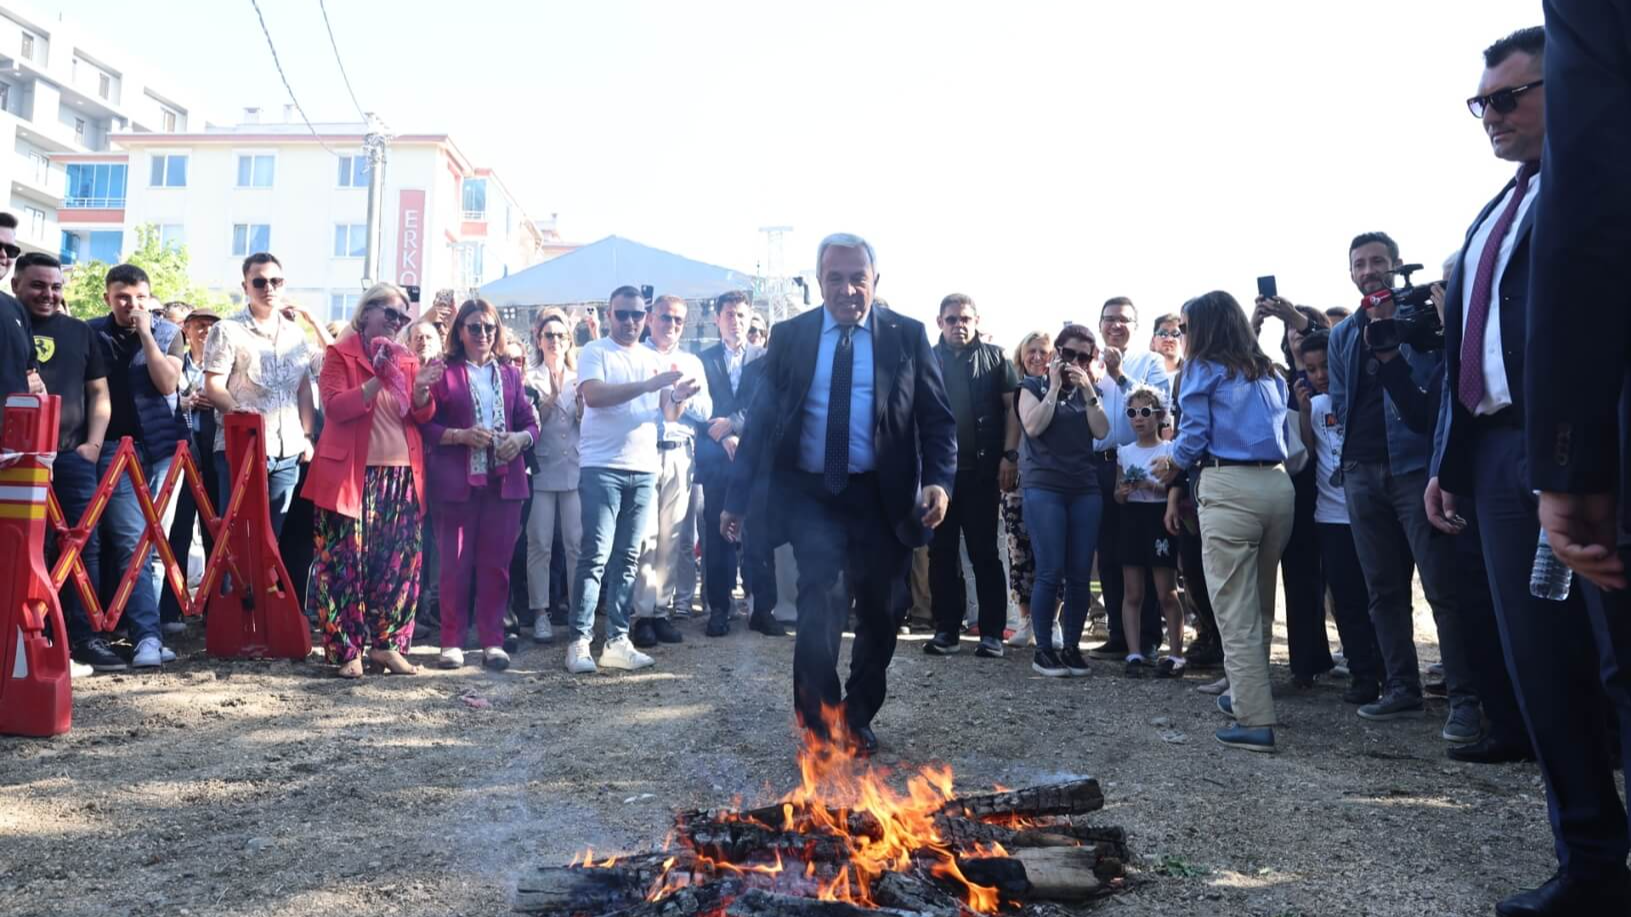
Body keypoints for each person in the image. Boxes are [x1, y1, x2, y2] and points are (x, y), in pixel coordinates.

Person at [1461, 16, 1631, 912]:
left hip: (1588, 447)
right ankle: (1591, 865)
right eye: (1478, 104)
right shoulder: (1490, 213)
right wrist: (1450, 462)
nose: (1489, 115)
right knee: (1541, 671)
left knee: (1617, 662)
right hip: (1495, 459)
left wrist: (1574, 454)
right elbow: (1474, 348)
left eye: (1507, 97)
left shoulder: (1598, 192)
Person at [722, 233, 955, 756]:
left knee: (882, 610)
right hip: (815, 497)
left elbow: (937, 421)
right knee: (817, 608)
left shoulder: (907, 336)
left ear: (876, 281)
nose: (847, 290)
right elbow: (761, 423)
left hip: (883, 497)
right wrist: (736, 500)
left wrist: (938, 480)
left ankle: (857, 714)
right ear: (819, 279)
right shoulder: (791, 336)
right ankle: (820, 722)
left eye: (858, 279)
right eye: (835, 279)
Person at [1325, 232, 1482, 743]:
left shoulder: (1421, 320)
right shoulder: (1344, 333)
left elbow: (1432, 404)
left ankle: (1465, 698)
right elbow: (1343, 403)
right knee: (1382, 589)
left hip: (1415, 468)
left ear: (1394, 266)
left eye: (1377, 261)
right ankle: (1401, 687)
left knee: (1442, 587)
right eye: (1360, 263)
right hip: (1361, 470)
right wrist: (1348, 465)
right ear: (1350, 272)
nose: (1369, 270)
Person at [1154, 291, 1295, 753]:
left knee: (1234, 609)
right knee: (1258, 601)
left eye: (1186, 328)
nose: (1182, 336)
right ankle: (1243, 693)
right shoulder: (1270, 370)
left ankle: (1254, 719)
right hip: (1277, 487)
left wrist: (1170, 462)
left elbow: (1193, 436)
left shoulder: (1202, 369)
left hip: (1229, 487)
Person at [565, 287, 697, 674]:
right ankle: (579, 640)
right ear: (609, 315)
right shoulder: (596, 351)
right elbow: (594, 396)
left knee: (627, 559)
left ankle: (617, 639)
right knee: (595, 556)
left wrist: (679, 396)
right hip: (602, 465)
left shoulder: (651, 358)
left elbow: (668, 415)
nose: (630, 322)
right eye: (622, 314)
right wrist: (648, 387)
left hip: (643, 467)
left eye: (637, 315)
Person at [303, 283, 432, 678]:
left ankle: (388, 645)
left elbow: (419, 417)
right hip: (350, 477)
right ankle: (347, 651)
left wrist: (424, 392)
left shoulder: (408, 359)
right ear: (366, 313)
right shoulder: (339, 355)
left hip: (401, 476)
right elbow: (337, 408)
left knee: (397, 565)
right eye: (390, 314)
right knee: (343, 565)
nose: (397, 323)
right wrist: (378, 377)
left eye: (402, 317)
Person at [422, 299, 538, 670]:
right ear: (460, 331)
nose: (483, 334)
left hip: (503, 481)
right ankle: (451, 641)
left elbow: (530, 423)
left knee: (496, 565)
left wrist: (521, 440)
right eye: (474, 327)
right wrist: (460, 436)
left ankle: (493, 640)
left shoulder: (510, 375)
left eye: (490, 328)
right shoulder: (443, 372)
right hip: (456, 480)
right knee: (454, 564)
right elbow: (425, 424)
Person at [85, 263, 189, 668]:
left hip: (163, 446)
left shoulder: (169, 333)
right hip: (113, 448)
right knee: (133, 541)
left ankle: (146, 630)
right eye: (123, 297)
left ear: (149, 297)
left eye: (140, 297)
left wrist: (147, 334)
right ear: (108, 298)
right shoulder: (91, 332)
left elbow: (168, 384)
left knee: (157, 545)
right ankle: (146, 636)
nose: (132, 305)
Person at [20, 254, 117, 670]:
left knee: (82, 545)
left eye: (55, 286)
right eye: (38, 286)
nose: (48, 294)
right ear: (17, 285)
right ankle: (29, 635)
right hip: (19, 459)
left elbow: (99, 393)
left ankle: (84, 636)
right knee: (28, 547)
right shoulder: (8, 326)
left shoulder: (80, 332)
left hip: (73, 457)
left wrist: (93, 445)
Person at [201, 253, 331, 536]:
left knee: (271, 537)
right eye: (259, 282)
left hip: (289, 449)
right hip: (242, 445)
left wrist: (308, 437)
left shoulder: (296, 334)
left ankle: (263, 584)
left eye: (275, 281)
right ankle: (238, 584)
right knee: (238, 536)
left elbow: (304, 387)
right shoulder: (227, 329)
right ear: (245, 286)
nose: (268, 288)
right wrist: (237, 412)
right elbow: (213, 386)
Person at [925, 294, 1020, 658]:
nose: (958, 325)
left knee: (985, 554)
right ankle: (946, 629)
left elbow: (1012, 409)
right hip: (938, 477)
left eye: (964, 318)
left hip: (982, 472)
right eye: (951, 319)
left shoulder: (996, 358)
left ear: (976, 320)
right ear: (939, 322)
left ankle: (992, 632)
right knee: (941, 554)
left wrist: (1009, 456)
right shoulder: (926, 359)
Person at [1292, 331, 1385, 705]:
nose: (1319, 375)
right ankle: (1362, 673)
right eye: (1311, 369)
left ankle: (1390, 670)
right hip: (1331, 517)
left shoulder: (1364, 395)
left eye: (1325, 366)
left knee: (1381, 595)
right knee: (1345, 599)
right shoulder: (1313, 407)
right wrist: (1302, 413)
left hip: (1373, 513)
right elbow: (1306, 455)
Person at [1017, 324, 1111, 679]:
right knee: (1050, 569)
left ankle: (1071, 648)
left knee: (1079, 574)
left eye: (1082, 357)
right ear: (1057, 351)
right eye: (1068, 353)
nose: (1074, 361)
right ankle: (1044, 650)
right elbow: (1034, 426)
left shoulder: (1091, 391)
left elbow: (1102, 431)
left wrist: (1088, 390)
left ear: (1091, 360)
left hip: (1084, 488)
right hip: (1045, 487)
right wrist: (1054, 386)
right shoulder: (1032, 386)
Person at [1259, 301, 1337, 688]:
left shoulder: (1333, 378)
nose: (1295, 338)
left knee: (1309, 577)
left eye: (1301, 331)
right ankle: (1286, 663)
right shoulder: (1275, 379)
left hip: (1319, 488)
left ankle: (1311, 661)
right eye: (1288, 332)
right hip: (1279, 483)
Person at [1088, 297, 1169, 661]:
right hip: (1101, 464)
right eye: (1109, 319)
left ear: (1136, 327)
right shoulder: (1090, 363)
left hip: (1141, 465)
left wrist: (1119, 374)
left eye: (1124, 320)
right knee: (1109, 551)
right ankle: (1120, 635)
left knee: (1145, 551)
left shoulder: (1149, 362)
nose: (1116, 326)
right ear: (1100, 323)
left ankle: (1149, 636)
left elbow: (1158, 404)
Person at [631, 295, 712, 647]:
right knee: (645, 537)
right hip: (645, 450)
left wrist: (683, 396)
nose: (672, 326)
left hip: (680, 453)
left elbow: (707, 410)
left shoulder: (691, 360)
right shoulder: (637, 355)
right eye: (665, 318)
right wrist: (665, 396)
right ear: (651, 319)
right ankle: (640, 614)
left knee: (672, 537)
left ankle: (660, 612)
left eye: (678, 320)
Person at [697, 291, 776, 636]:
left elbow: (768, 403)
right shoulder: (702, 360)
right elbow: (695, 407)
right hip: (717, 461)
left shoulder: (764, 358)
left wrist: (735, 423)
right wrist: (720, 434)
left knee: (759, 533)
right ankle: (719, 608)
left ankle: (763, 609)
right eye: (729, 314)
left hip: (755, 459)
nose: (736, 320)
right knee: (718, 536)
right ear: (717, 318)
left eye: (742, 315)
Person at [1113, 385, 1184, 677]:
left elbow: (1174, 489)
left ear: (1159, 415)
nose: (1138, 419)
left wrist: (1149, 486)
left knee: (1166, 591)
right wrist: (1124, 490)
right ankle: (1134, 653)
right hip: (1132, 519)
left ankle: (1176, 655)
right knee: (1133, 592)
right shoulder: (1124, 452)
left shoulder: (1169, 451)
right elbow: (1117, 493)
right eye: (1132, 412)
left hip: (1159, 518)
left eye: (1145, 412)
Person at [160, 306, 221, 634]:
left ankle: (214, 607)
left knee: (216, 532)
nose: (206, 331)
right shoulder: (174, 360)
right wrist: (185, 400)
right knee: (177, 533)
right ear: (186, 328)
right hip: (179, 459)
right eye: (199, 325)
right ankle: (171, 609)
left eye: (212, 325)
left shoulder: (224, 364)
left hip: (214, 457)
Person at [524, 308, 582, 645]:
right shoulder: (530, 377)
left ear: (569, 340)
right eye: (549, 336)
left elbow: (585, 423)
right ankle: (540, 612)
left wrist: (581, 404)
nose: (555, 341)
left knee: (576, 543)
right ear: (539, 339)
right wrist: (548, 401)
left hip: (573, 466)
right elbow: (530, 422)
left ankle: (577, 610)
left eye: (561, 336)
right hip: (542, 468)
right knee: (540, 543)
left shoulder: (580, 376)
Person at [1001, 330, 1059, 650]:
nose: (1037, 356)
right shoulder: (1014, 392)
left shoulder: (1062, 389)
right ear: (1021, 356)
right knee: (1019, 553)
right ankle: (1026, 622)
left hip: (1053, 482)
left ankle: (1051, 621)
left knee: (1051, 553)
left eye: (1043, 351)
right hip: (1019, 482)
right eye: (1031, 350)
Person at [401, 319, 445, 642]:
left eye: (429, 336)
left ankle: (434, 608)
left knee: (438, 545)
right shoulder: (402, 370)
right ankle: (409, 614)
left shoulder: (448, 372)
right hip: (408, 468)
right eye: (416, 336)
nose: (422, 341)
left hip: (443, 470)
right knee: (413, 543)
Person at [0, 212, 40, 399]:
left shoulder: (16, 309)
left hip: (13, 426)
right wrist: (18, 384)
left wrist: (27, 382)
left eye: (11, 250)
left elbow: (31, 371)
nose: (3, 255)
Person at [1149, 313, 1184, 378]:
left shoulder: (1193, 375)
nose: (1169, 339)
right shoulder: (1140, 372)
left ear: (1183, 340)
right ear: (1153, 340)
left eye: (1175, 334)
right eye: (1162, 334)